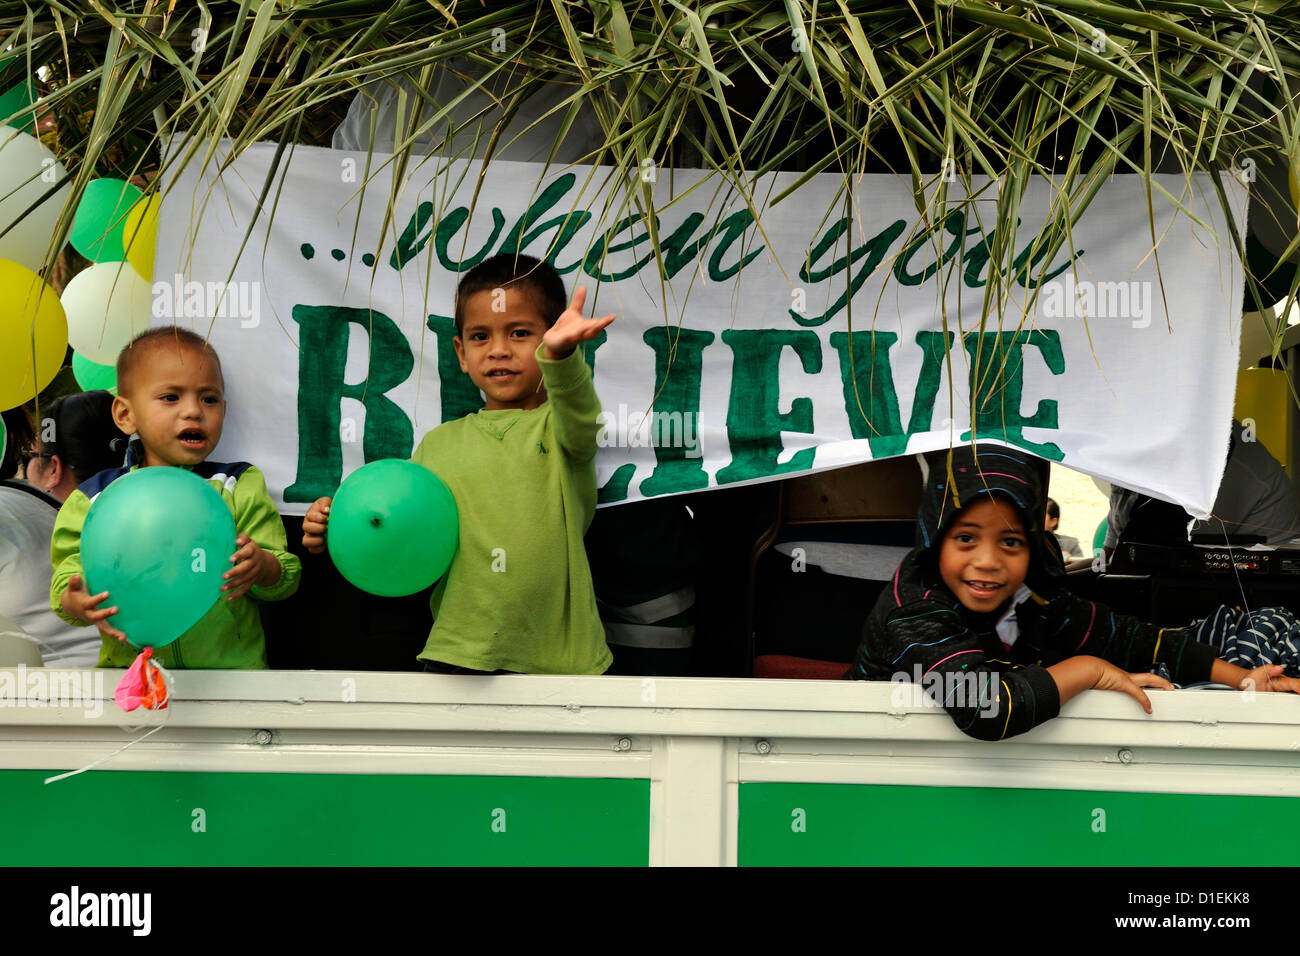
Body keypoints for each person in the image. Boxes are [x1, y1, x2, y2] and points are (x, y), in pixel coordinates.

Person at [847, 443, 1300, 740]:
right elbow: (985, 709)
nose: (987, 561)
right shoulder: (917, 609)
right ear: (935, 536)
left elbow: (1125, 638)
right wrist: (1089, 671)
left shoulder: (1029, 596)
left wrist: (1238, 677)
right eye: (966, 538)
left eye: (1010, 542)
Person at [302, 254, 615, 674]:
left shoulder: (560, 429)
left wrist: (561, 359)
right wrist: (336, 523)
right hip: (458, 653)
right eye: (480, 336)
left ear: (552, 336)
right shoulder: (438, 445)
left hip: (560, 658)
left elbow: (581, 417)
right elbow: (400, 525)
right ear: (461, 352)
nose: (499, 350)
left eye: (520, 333)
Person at [49, 329, 302, 668]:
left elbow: (284, 575)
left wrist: (263, 567)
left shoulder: (237, 484)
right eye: (171, 397)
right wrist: (75, 599)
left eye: (209, 399)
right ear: (125, 415)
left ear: (224, 410)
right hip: (132, 682)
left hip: (232, 688)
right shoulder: (94, 499)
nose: (194, 411)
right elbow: (68, 576)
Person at [0, 394, 126, 666]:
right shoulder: (140, 526)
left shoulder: (10, 513)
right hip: (129, 683)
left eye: (31, 456)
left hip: (41, 697)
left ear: (53, 468)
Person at [1105, 419, 1300, 556]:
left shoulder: (1217, 456)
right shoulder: (1130, 449)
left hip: (1253, 591)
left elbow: (1152, 553)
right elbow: (1110, 555)